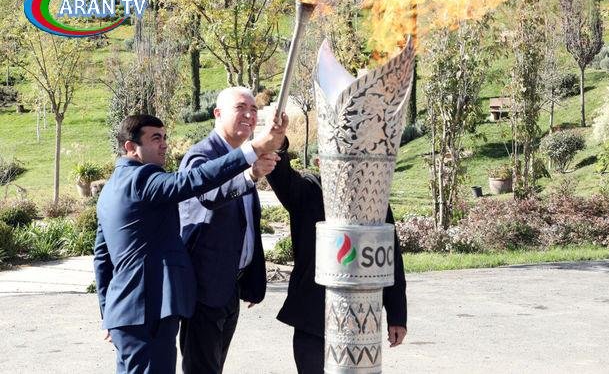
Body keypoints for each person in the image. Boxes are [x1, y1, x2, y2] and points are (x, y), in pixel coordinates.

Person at [94, 113, 287, 374]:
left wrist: (108, 313)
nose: (164, 144)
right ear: (131, 147)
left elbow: (102, 258)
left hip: (125, 314)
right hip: (150, 311)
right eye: (155, 138)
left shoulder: (108, 190)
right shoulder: (143, 179)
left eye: (165, 137)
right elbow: (193, 180)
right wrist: (253, 149)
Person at [266, 137, 408, 374]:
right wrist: (278, 142)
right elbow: (281, 176)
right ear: (321, 163)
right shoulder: (307, 190)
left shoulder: (374, 202)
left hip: (360, 324)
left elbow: (390, 259)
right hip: (313, 322)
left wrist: (397, 316)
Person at [178, 87, 279, 374]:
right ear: (218, 114)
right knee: (201, 368)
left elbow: (244, 224)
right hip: (204, 289)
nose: (249, 114)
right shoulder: (200, 156)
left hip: (230, 287)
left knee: (215, 366)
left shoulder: (242, 156)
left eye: (253, 109)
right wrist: (251, 174)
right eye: (240, 108)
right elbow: (210, 195)